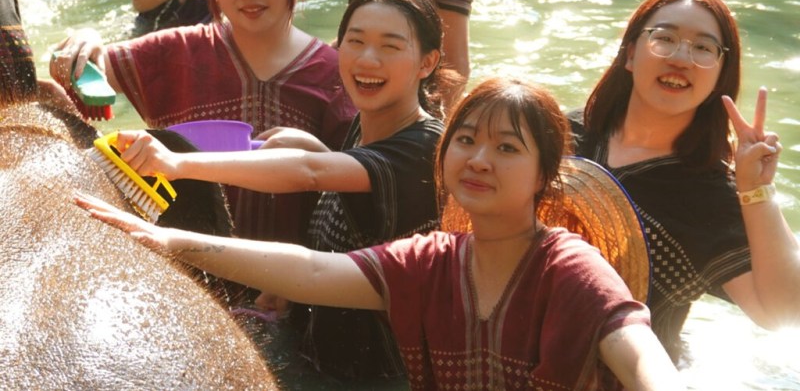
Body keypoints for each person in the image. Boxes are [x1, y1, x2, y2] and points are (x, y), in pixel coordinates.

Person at [75, 77, 685, 390]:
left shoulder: (570, 268)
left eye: (506, 148)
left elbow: (642, 358)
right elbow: (313, 271)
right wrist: (171, 242)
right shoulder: (433, 261)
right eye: (466, 141)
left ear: (543, 177)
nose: (478, 159)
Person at [78, 0, 459, 381]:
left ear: (427, 62)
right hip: (321, 349)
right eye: (356, 41)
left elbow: (309, 175)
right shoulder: (369, 128)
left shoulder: (425, 146)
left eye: (390, 46)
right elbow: (352, 197)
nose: (368, 59)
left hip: (379, 374)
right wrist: (317, 148)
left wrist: (177, 164)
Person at [50, 0, 357, 249]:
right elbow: (81, 75)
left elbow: (369, 193)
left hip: (297, 283)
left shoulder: (335, 75)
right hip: (185, 273)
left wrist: (321, 155)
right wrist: (84, 42)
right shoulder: (177, 50)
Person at [569, 0, 800, 361]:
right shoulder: (561, 135)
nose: (681, 58)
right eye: (664, 38)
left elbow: (784, 314)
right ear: (630, 53)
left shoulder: (709, 196)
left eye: (703, 48)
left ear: (720, 76)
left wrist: (757, 192)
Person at [348, 0, 476, 110]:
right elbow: (356, 28)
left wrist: (431, 130)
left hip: (412, 111)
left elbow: (454, 66)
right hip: (368, 103)